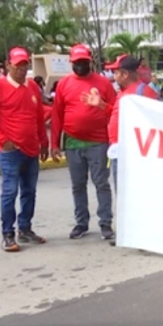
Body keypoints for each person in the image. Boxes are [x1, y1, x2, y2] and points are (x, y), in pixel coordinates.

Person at [0, 47, 48, 252]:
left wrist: (43, 142)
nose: (21, 69)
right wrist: (2, 140)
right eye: (17, 65)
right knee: (10, 192)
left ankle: (25, 228)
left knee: (29, 191)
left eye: (24, 65)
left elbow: (38, 118)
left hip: (31, 149)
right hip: (10, 151)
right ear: (8, 65)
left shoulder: (33, 88)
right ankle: (7, 233)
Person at [51, 44, 118, 241]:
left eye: (84, 62)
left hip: (98, 142)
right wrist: (54, 143)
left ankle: (105, 222)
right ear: (71, 63)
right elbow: (57, 115)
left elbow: (115, 110)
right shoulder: (63, 84)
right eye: (77, 62)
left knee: (101, 184)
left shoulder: (103, 83)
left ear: (90, 61)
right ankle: (81, 222)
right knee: (77, 185)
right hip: (73, 143)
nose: (80, 65)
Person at [97, 54, 159, 195]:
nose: (114, 76)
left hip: (132, 153)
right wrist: (103, 106)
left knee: (129, 195)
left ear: (125, 74)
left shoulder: (143, 92)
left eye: (116, 72)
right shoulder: (125, 92)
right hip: (120, 150)